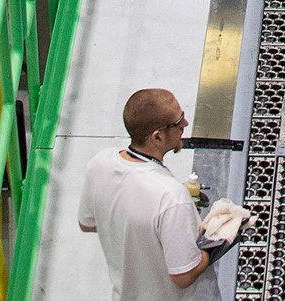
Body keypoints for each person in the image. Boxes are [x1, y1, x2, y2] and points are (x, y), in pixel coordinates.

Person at [78, 88, 222, 297]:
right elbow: (184, 275)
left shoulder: (100, 163)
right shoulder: (171, 197)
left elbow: (87, 223)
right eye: (178, 121)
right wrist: (217, 242)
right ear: (157, 137)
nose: (185, 124)